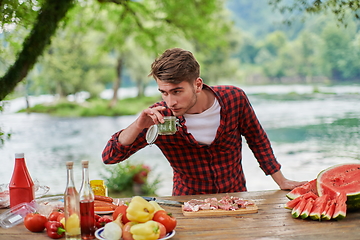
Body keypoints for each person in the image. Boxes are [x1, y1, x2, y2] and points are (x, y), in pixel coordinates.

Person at [102, 48, 306, 196]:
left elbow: (257, 139)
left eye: (177, 91)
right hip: (187, 206)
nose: (170, 101)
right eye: (163, 93)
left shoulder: (234, 98)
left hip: (236, 202)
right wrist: (139, 125)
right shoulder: (159, 117)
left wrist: (281, 181)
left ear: (197, 84)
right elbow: (110, 156)